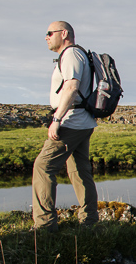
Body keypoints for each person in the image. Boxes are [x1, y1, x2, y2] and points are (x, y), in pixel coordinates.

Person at [32, 21, 99, 232]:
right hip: (83, 121)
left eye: (49, 33)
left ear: (64, 33)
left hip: (71, 122)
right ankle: (89, 221)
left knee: (43, 166)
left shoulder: (70, 54)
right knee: (79, 170)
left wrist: (57, 119)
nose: (46, 37)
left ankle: (45, 225)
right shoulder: (76, 55)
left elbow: (71, 87)